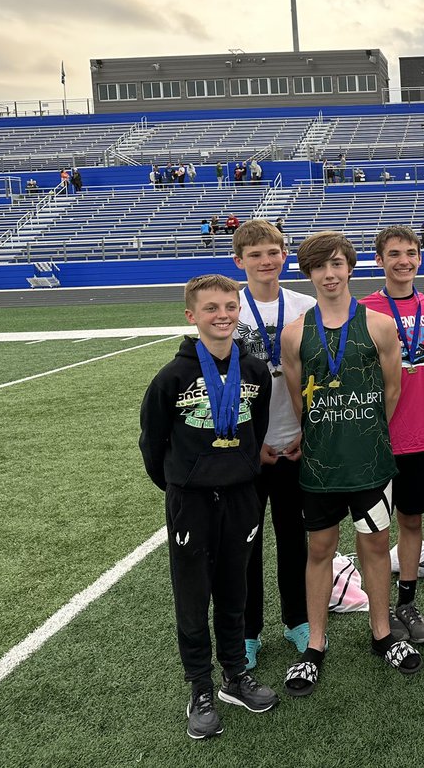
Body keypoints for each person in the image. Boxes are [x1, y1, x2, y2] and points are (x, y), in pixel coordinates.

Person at [139, 274, 279, 740]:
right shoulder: (172, 377)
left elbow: (255, 428)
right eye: (211, 308)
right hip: (191, 501)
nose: (222, 315)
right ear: (191, 316)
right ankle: (199, 686)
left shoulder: (255, 371)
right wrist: (183, 483)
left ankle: (235, 676)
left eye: (229, 306)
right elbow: (152, 442)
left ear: (239, 311)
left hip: (242, 496)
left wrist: (238, 468)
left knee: (235, 590)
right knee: (194, 595)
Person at [279, 232, 419, 697]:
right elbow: (300, 399)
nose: (330, 274)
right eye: (320, 267)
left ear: (350, 267)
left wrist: (360, 433)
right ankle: (315, 646)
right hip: (320, 467)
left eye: (337, 264)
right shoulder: (295, 332)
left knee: (376, 548)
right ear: (310, 274)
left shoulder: (379, 325)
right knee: (318, 550)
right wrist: (329, 434)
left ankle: (382, 635)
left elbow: (392, 392)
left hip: (371, 464)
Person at [231, 220, 317, 670]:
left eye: (273, 252)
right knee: (246, 542)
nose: (266, 261)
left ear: (284, 255)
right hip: (249, 448)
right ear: (239, 261)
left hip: (295, 441)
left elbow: (319, 372)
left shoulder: (305, 304)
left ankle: (297, 618)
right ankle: (248, 631)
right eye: (256, 255)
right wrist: (251, 441)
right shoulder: (231, 308)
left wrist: (307, 429)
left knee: (293, 537)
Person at [361, 226, 424, 644]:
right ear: (379, 259)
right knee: (374, 529)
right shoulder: (364, 309)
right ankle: (380, 612)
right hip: (376, 436)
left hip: (421, 434)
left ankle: (407, 603)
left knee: (412, 520)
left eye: (411, 253)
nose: (404, 261)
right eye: (394, 254)